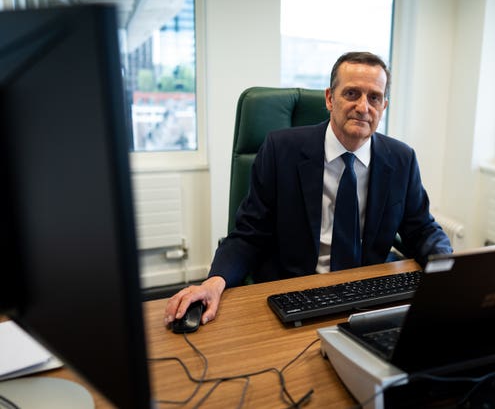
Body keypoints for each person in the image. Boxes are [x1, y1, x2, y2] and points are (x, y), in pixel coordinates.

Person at [164, 51, 452, 327]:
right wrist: (215, 281)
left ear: (383, 107)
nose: (363, 107)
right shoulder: (280, 150)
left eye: (374, 97)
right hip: (296, 293)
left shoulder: (401, 159)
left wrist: (449, 270)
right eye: (352, 93)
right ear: (329, 98)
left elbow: (422, 229)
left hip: (368, 295)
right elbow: (249, 234)